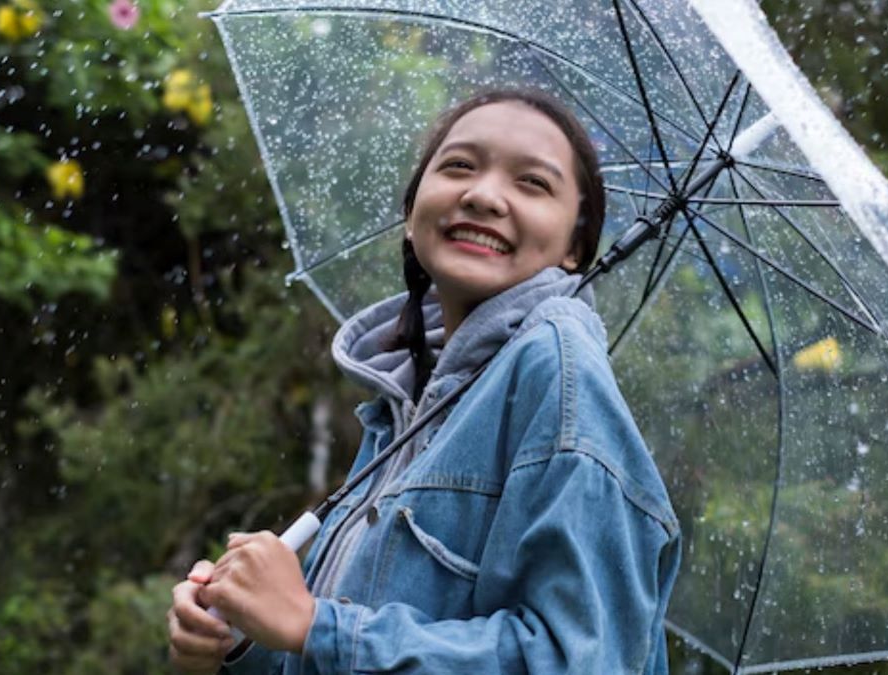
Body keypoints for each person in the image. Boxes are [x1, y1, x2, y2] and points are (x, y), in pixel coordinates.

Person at [167, 88, 681, 674]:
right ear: (412, 216)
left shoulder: (556, 371)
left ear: (574, 248)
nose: (484, 195)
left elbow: (581, 661)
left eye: (533, 183)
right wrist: (239, 636)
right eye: (459, 165)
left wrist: (316, 625)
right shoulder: (410, 400)